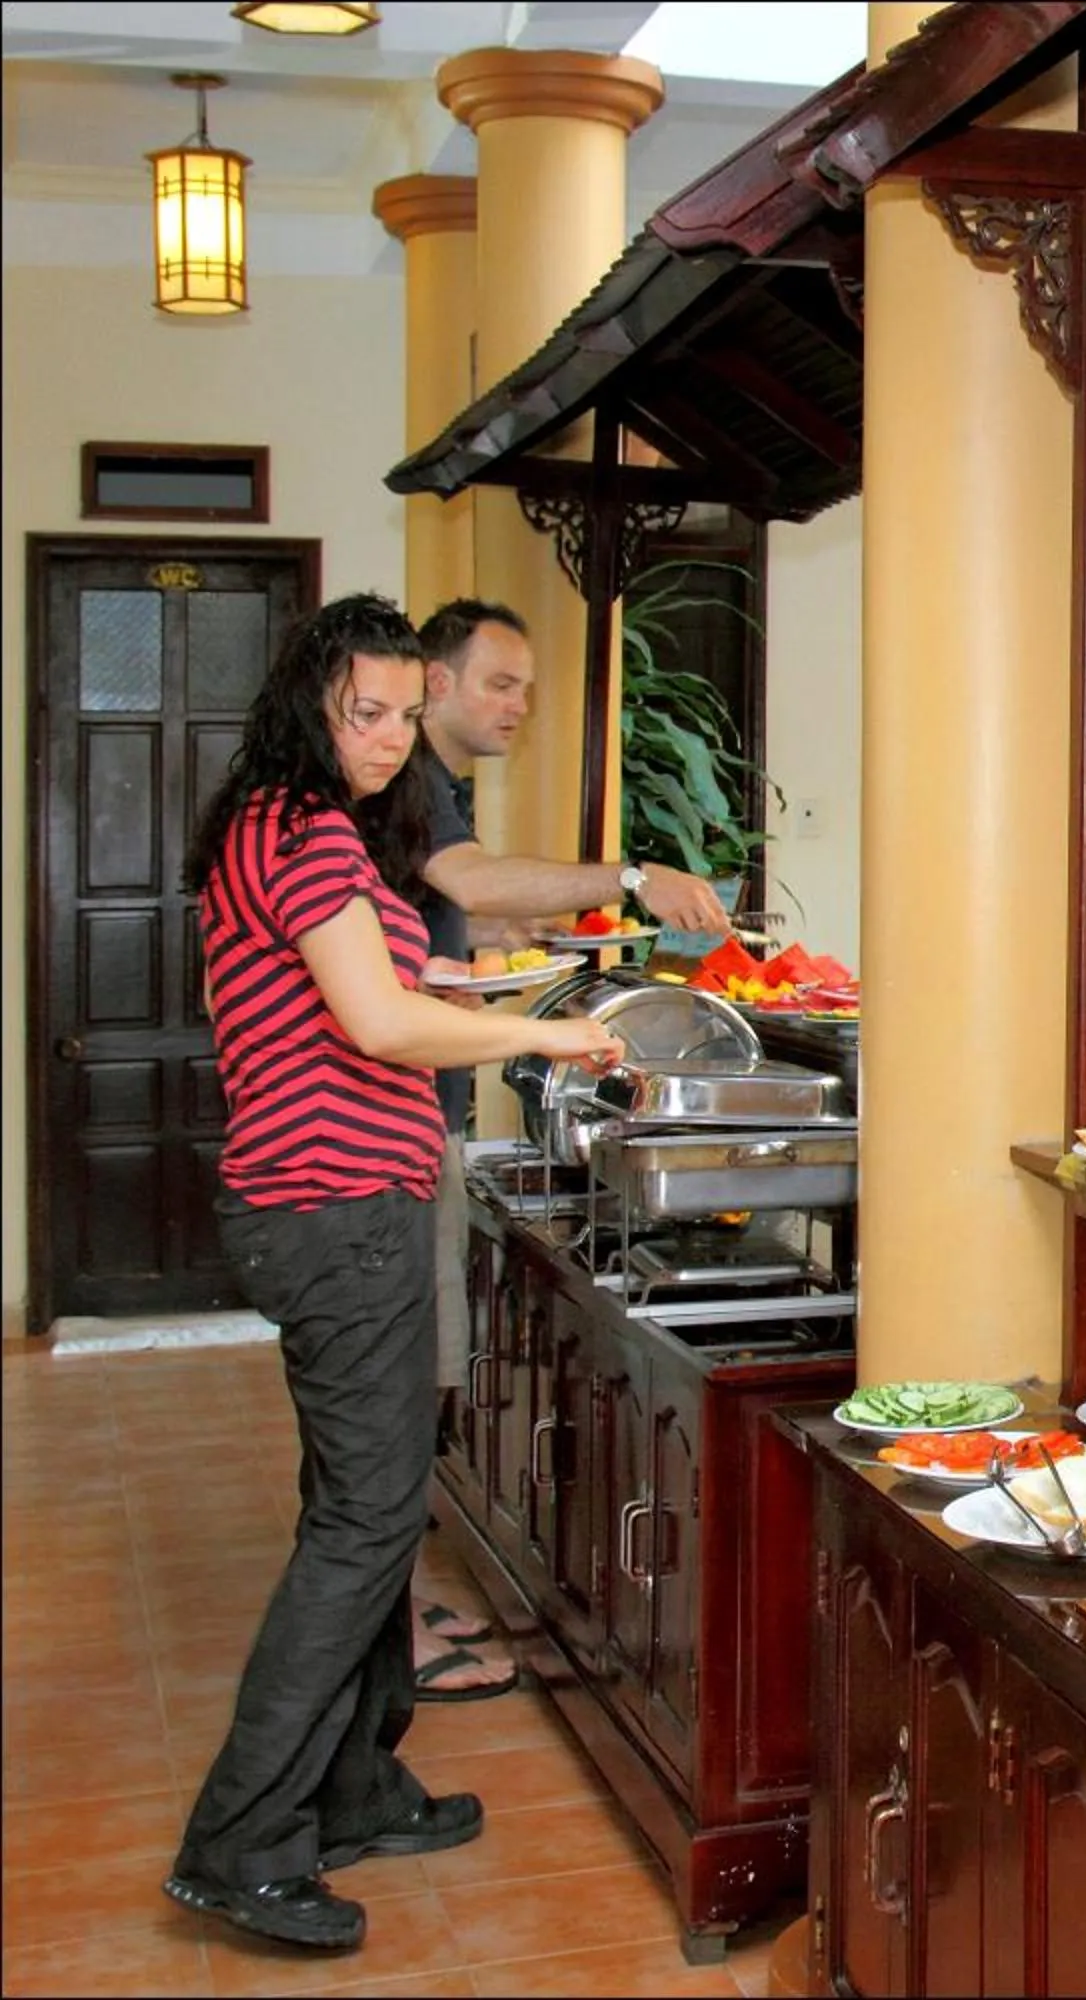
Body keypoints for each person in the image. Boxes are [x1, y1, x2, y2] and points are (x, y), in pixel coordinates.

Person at [168, 593, 626, 1953]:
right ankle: (242, 1841)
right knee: (365, 1527)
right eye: (356, 714)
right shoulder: (302, 826)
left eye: (393, 713)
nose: (379, 739)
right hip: (339, 1208)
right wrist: (546, 1047)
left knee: (362, 1507)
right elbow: (372, 1020)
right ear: (309, 708)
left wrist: (495, 1001)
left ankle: (356, 1786)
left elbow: (369, 989)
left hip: (326, 1202)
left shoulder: (294, 824)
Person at [401, 600, 731, 1699]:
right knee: (403, 1382)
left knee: (412, 1380)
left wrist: (504, 944)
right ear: (434, 684)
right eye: (500, 683)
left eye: (527, 688)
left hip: (420, 1111)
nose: (517, 705)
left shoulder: (430, 787)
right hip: (394, 1124)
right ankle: (384, 1626)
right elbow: (469, 882)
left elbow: (449, 919)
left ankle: (390, 1606)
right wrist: (628, 879)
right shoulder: (410, 776)